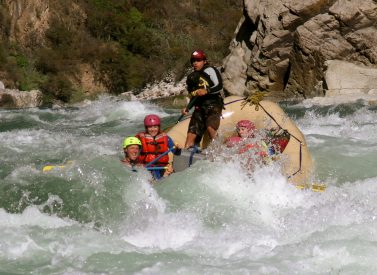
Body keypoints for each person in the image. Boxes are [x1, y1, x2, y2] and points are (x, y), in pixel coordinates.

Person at [182, 50, 224, 149]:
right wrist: (187, 108)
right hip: (199, 106)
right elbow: (193, 96)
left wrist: (207, 91)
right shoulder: (191, 77)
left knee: (210, 128)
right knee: (191, 135)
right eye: (193, 61)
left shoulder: (210, 70)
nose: (195, 63)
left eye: (198, 60)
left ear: (204, 61)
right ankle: (189, 155)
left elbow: (219, 86)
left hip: (213, 103)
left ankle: (219, 152)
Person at [136, 114, 181, 180]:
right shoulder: (139, 139)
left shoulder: (165, 138)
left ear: (159, 127)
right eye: (150, 127)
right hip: (146, 169)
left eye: (155, 127)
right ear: (146, 128)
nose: (153, 129)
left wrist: (178, 148)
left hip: (162, 168)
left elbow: (177, 153)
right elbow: (132, 153)